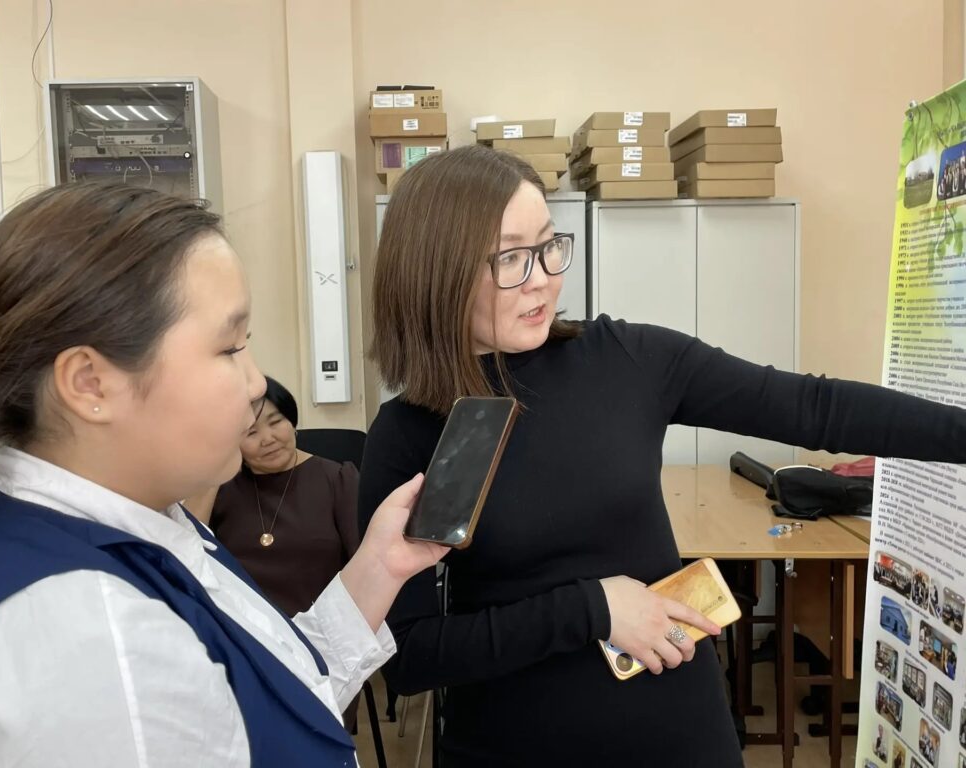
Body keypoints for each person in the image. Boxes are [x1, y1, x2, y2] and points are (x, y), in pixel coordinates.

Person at [357, 145, 966, 767]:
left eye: (548, 245)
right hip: (510, 744)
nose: (542, 277)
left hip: (677, 733)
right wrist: (592, 609)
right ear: (438, 273)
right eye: (511, 257)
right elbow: (408, 656)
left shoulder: (626, 360)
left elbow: (817, 408)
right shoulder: (410, 432)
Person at [0, 182, 446, 767]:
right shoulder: (96, 648)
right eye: (229, 349)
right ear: (90, 383)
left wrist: (379, 567)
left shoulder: (135, 523)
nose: (255, 384)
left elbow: (263, 700)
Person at [187, 375, 363, 731]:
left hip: (321, 644)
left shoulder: (337, 479)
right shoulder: (220, 487)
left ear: (292, 420)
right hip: (242, 639)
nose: (268, 438)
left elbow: (364, 567)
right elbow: (189, 548)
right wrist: (214, 468)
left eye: (276, 421)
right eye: (250, 432)